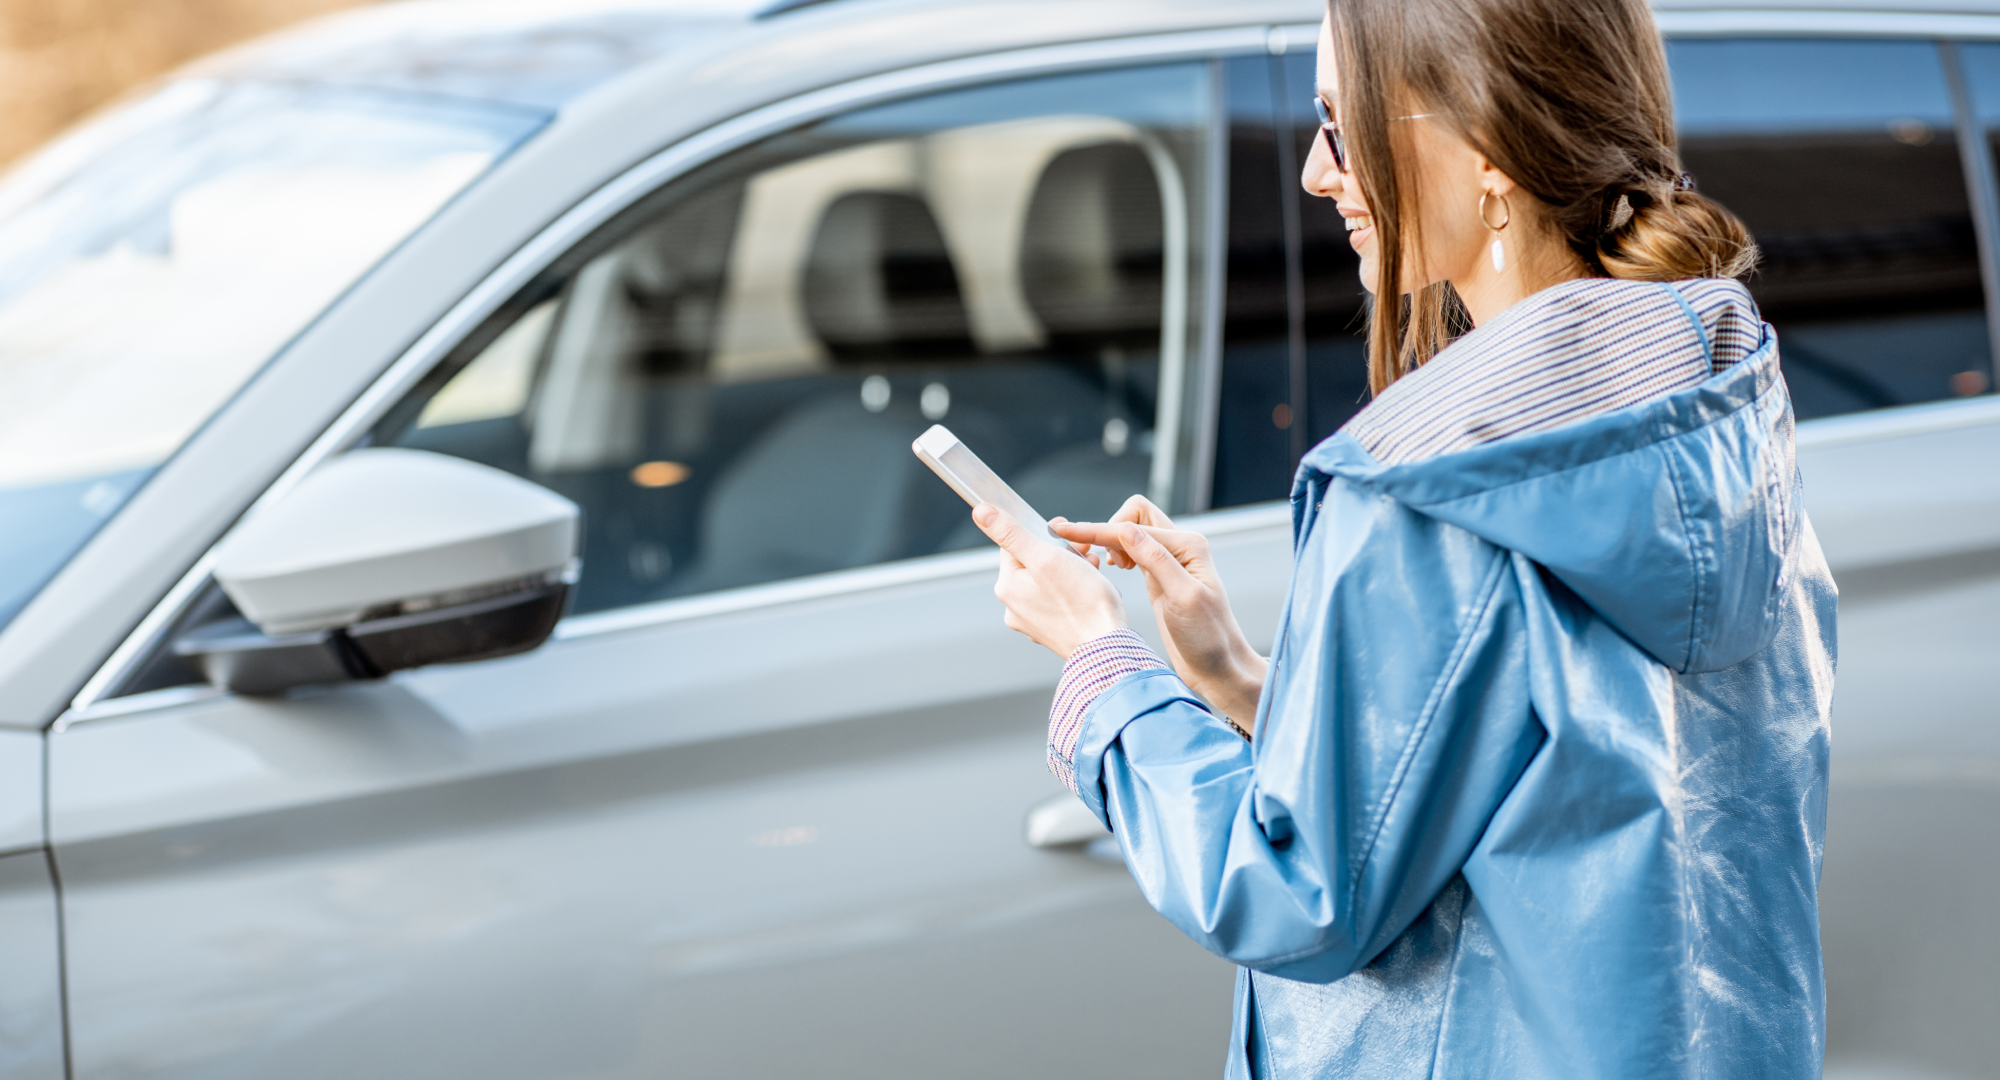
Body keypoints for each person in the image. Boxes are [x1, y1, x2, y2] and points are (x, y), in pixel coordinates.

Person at [970, 0, 1837, 1076]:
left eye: (1339, 122)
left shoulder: (1421, 487)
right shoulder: (1719, 408)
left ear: (1482, 149)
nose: (1312, 171)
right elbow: (1535, 773)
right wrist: (1242, 680)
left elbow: (1293, 892)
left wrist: (1100, 667)